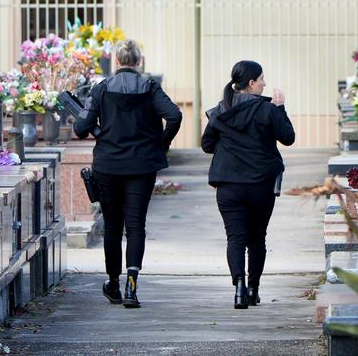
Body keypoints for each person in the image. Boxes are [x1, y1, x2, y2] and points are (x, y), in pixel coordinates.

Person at [74, 39, 182, 308]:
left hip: (108, 166)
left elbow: (81, 127)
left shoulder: (101, 90)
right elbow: (175, 115)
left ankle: (113, 283)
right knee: (136, 226)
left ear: (116, 61)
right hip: (142, 167)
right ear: (139, 62)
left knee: (112, 226)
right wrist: (161, 142)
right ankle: (132, 285)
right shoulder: (150, 88)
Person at [201, 60, 295, 309]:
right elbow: (288, 138)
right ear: (251, 83)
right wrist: (281, 108)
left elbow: (207, 145)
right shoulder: (268, 110)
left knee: (235, 238)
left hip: (228, 185)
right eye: (262, 78)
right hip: (260, 185)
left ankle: (239, 289)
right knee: (257, 238)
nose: (265, 83)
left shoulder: (220, 110)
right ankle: (253, 288)